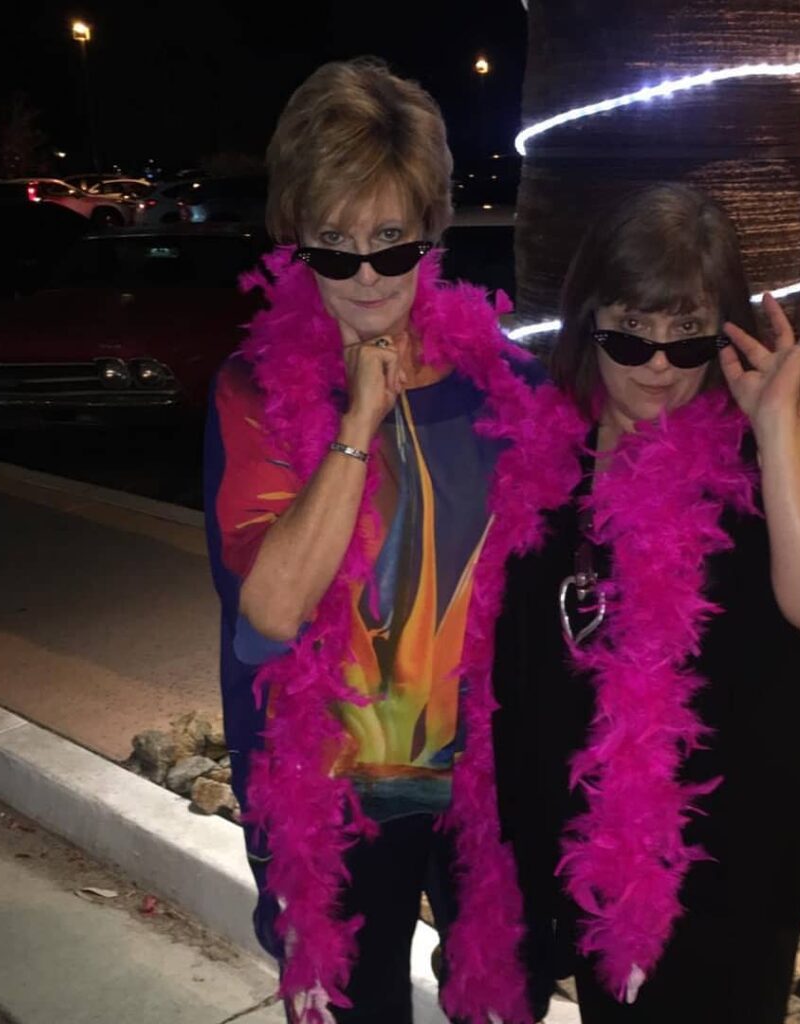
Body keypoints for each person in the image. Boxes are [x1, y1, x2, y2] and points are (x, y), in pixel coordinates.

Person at [203, 59, 553, 1024]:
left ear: (433, 234)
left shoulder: (509, 388)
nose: (365, 276)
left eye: (391, 244)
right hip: (335, 802)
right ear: (296, 242)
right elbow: (270, 608)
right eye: (335, 246)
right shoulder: (258, 394)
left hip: (482, 782)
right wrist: (357, 422)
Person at [487, 183, 800, 1022]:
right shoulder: (550, 452)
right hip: (595, 863)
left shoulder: (788, 425)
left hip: (734, 865)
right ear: (591, 319)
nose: (660, 367)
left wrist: (776, 426)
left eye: (687, 334)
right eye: (633, 335)